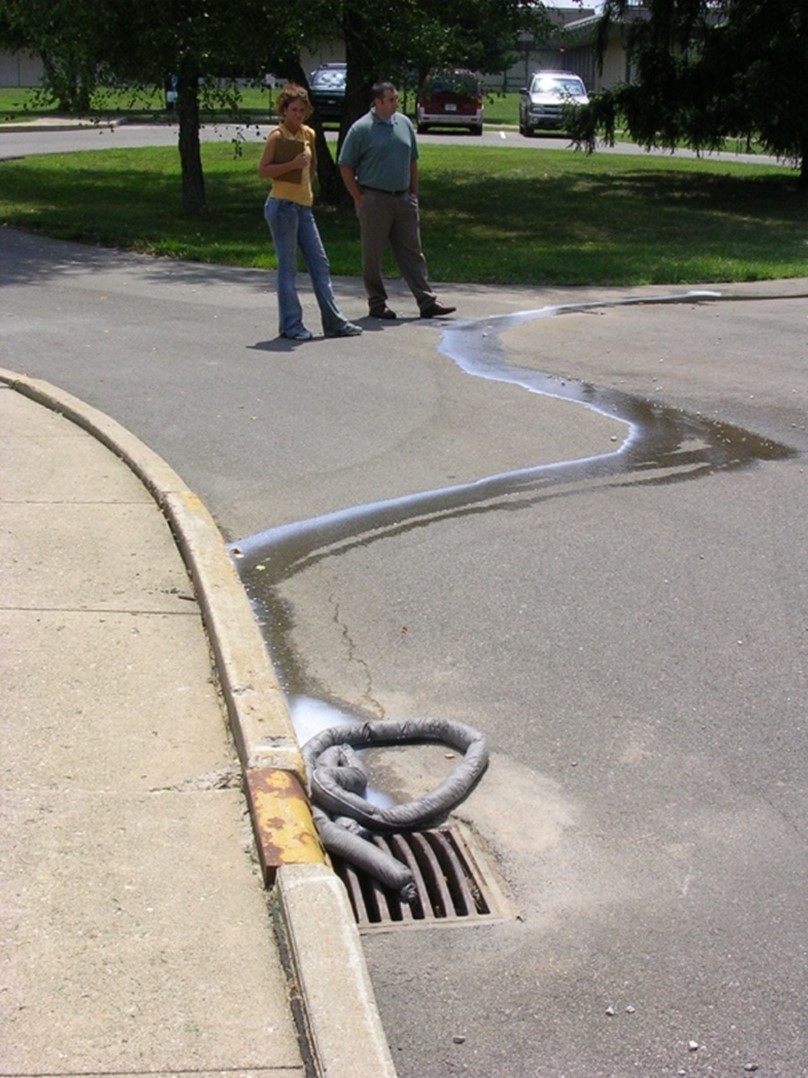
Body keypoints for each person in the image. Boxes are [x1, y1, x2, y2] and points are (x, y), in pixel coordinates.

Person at [338, 81, 456, 321]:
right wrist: (359, 197)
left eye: (396, 99)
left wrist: (413, 192)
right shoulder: (361, 129)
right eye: (391, 99)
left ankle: (426, 301)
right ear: (378, 102)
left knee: (413, 252)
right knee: (373, 254)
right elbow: (345, 166)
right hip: (374, 199)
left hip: (403, 199)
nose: (396, 103)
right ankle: (377, 303)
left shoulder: (404, 123)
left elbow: (412, 159)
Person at [258, 84, 362, 341]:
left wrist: (307, 181)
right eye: (294, 110)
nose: (298, 115)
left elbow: (313, 164)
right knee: (288, 267)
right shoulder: (277, 136)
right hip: (282, 206)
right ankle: (291, 326)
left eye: (302, 111)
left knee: (320, 263)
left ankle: (334, 321)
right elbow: (263, 170)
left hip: (304, 207)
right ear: (284, 110)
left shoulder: (309, 134)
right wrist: (291, 165)